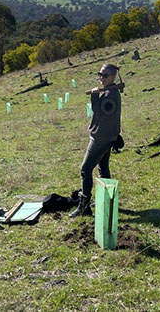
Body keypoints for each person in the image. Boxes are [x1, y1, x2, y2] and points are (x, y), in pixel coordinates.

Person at [69, 63, 122, 217]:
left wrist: (94, 96)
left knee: (85, 169)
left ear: (113, 77)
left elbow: (100, 113)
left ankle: (84, 207)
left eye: (105, 75)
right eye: (99, 74)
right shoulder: (109, 92)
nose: (101, 77)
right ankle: (107, 200)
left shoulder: (111, 95)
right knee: (103, 167)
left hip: (101, 139)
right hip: (106, 137)